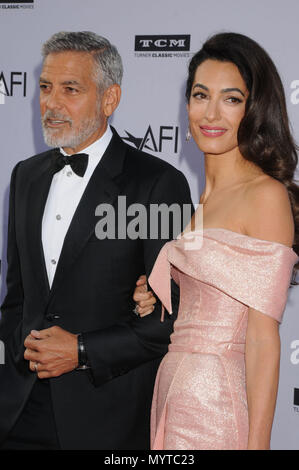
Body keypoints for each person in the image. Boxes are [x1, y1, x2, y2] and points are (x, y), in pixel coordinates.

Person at [0, 31, 193, 450]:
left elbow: (174, 317)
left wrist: (81, 350)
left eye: (71, 89)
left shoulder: (157, 184)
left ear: (110, 99)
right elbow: (17, 297)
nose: (51, 103)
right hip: (17, 410)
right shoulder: (25, 176)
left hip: (105, 418)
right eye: (46, 88)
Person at [133, 32, 299, 450]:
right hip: (173, 392)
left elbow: (262, 340)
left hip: (215, 406)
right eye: (200, 95)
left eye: (230, 98)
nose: (210, 113)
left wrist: (257, 446)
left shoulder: (265, 195)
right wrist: (158, 292)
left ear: (254, 110)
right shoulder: (202, 202)